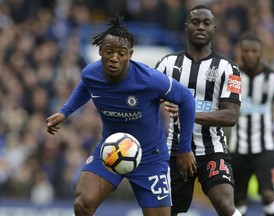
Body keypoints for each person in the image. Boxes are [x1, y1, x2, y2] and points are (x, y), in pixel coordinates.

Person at [46, 13, 197, 216]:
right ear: (100, 51)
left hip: (150, 157)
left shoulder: (150, 80)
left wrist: (184, 149)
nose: (114, 58)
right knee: (83, 204)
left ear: (130, 54)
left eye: (121, 53)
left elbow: (186, 97)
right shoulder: (91, 73)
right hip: (111, 151)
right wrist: (65, 112)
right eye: (109, 51)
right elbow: (86, 86)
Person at [155, 5, 242, 216]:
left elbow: (231, 116)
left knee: (226, 206)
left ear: (214, 28)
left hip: (212, 150)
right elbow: (147, 104)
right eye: (195, 22)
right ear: (186, 27)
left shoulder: (229, 69)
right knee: (163, 212)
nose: (200, 27)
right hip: (172, 152)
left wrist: (188, 112)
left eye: (206, 23)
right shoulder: (167, 64)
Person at [228, 34, 274, 216]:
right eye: (246, 51)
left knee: (269, 194)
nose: (250, 55)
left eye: (254, 51)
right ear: (240, 53)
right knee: (238, 200)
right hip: (237, 147)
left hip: (266, 147)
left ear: (261, 53)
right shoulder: (232, 78)